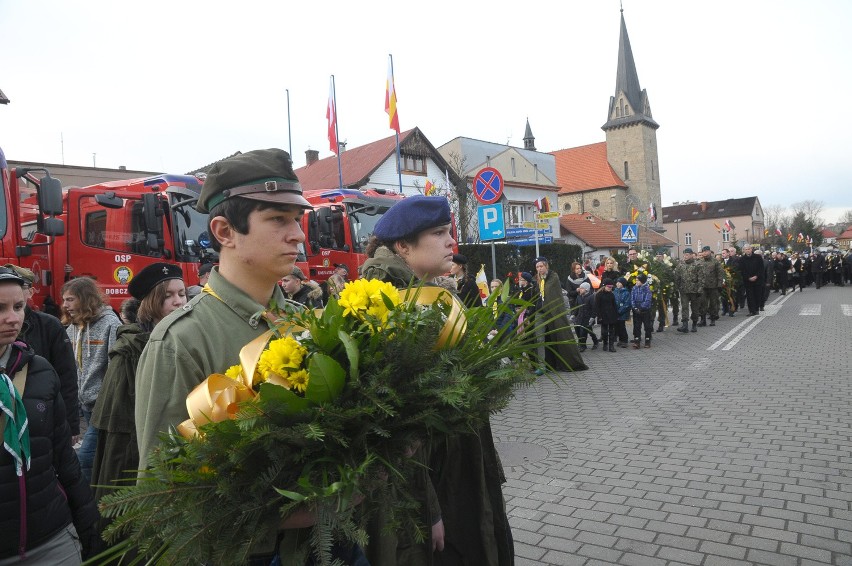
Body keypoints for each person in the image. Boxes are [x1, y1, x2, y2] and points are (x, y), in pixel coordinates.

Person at [134, 149, 339, 562]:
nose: (298, 235)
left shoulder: (304, 322)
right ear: (225, 231)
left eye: (296, 220)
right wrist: (282, 514)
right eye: (278, 219)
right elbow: (165, 491)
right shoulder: (181, 340)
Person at [360, 195, 512, 566]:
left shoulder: (426, 299)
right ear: (403, 246)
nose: (451, 242)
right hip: (430, 490)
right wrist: (428, 513)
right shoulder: (389, 307)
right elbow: (397, 432)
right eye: (439, 233)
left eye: (450, 232)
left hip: (454, 475)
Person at [0, 266, 101, 564]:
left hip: (51, 537)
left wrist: (86, 521)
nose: (12, 317)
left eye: (18, 306)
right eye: (0, 308)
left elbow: (64, 460)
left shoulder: (40, 370)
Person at [90, 263, 186, 520]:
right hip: (140, 451)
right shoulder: (130, 349)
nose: (178, 302)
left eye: (182, 293)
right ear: (151, 304)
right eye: (168, 296)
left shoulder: (188, 338)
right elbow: (120, 428)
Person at [4, 264, 80, 440]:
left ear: (30, 291)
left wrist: (71, 424)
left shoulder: (49, 325)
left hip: (42, 416)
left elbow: (66, 376)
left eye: (19, 287)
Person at [62, 277, 121, 484]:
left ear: (85, 298)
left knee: (85, 458)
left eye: (70, 300)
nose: (64, 305)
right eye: (64, 300)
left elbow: (116, 367)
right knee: (99, 456)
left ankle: (87, 505)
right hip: (85, 404)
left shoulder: (110, 324)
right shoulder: (72, 327)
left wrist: (108, 397)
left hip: (104, 405)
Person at [533, 256, 588, 372]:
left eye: (541, 266)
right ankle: (542, 365)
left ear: (546, 266)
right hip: (541, 312)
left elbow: (552, 294)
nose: (539, 269)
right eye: (537, 267)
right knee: (540, 338)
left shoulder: (553, 277)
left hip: (553, 312)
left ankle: (567, 362)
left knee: (560, 336)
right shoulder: (538, 279)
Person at [674, 248, 702, 333]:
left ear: (691, 255)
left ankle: (694, 324)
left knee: (695, 308)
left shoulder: (697, 264)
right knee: (684, 307)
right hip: (684, 290)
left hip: (695, 290)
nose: (685, 256)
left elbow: (701, 278)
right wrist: (677, 288)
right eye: (684, 255)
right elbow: (677, 278)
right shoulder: (680, 265)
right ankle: (685, 325)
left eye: (687, 255)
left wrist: (700, 290)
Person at [697, 245, 724, 327]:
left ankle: (713, 319)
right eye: (703, 252)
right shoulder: (700, 262)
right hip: (703, 286)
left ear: (709, 251)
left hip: (713, 286)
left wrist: (719, 285)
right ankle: (703, 320)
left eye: (706, 251)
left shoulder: (715, 262)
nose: (705, 253)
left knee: (713, 304)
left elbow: (720, 274)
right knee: (702, 304)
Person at [738, 245, 765, 316]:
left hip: (757, 280)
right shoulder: (742, 259)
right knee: (750, 297)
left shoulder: (758, 257)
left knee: (757, 295)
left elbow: (761, 268)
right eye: (746, 249)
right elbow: (742, 270)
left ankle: (756, 309)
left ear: (751, 249)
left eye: (749, 249)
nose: (747, 250)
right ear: (744, 250)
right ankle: (751, 311)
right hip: (748, 281)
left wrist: (756, 276)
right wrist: (748, 277)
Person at [594, 279, 618, 352]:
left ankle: (611, 346)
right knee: (604, 332)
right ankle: (605, 344)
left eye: (611, 287)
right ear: (604, 286)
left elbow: (614, 305)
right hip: (603, 315)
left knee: (611, 331)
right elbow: (597, 306)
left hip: (611, 314)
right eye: (608, 286)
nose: (610, 288)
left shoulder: (611, 294)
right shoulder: (599, 295)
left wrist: (616, 314)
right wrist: (599, 316)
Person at [630, 273, 654, 347]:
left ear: (642, 281)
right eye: (636, 280)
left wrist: (641, 308)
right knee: (637, 326)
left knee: (647, 326)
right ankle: (637, 340)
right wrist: (635, 308)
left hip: (645, 310)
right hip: (636, 311)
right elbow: (632, 299)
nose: (636, 282)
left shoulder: (647, 288)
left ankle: (647, 340)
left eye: (638, 280)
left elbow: (647, 300)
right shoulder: (634, 288)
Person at [574, 282, 599, 352]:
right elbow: (576, 307)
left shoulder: (591, 297)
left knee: (583, 332)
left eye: (582, 288)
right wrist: (573, 315)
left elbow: (594, 308)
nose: (580, 290)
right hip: (579, 317)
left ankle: (583, 345)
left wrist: (593, 317)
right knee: (578, 330)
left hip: (587, 318)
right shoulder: (578, 297)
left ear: (586, 289)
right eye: (580, 288)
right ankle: (583, 342)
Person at [613, 277, 631, 347]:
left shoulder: (626, 293)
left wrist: (620, 311)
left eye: (619, 282)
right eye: (617, 282)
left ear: (623, 284)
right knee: (617, 327)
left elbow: (627, 304)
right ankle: (620, 340)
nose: (617, 284)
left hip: (622, 313)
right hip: (616, 313)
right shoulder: (614, 292)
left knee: (622, 327)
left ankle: (625, 340)